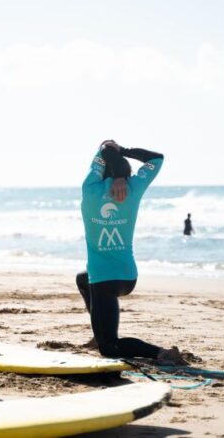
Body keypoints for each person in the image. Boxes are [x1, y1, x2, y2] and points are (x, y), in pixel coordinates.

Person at [76, 140, 187, 364]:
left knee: (110, 348)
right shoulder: (133, 188)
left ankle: (160, 353)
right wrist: (124, 154)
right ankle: (100, 333)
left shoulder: (89, 189)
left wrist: (111, 153)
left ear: (103, 170)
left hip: (103, 280)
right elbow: (157, 158)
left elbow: (104, 149)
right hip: (128, 277)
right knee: (81, 279)